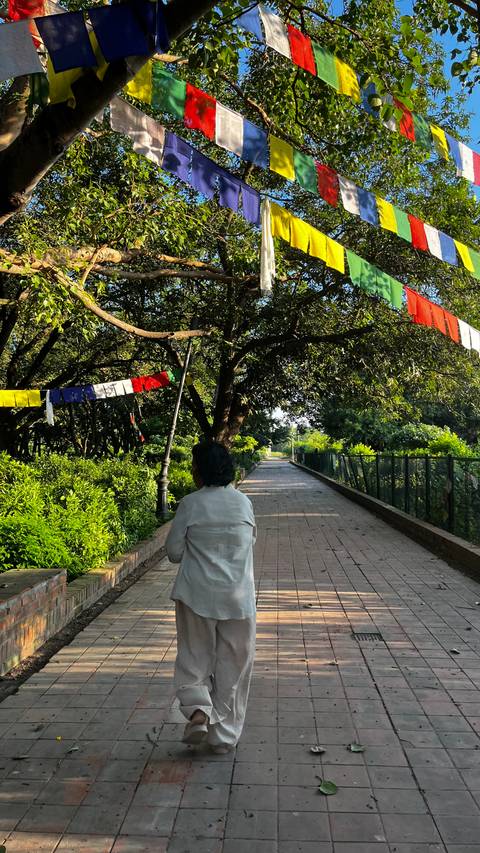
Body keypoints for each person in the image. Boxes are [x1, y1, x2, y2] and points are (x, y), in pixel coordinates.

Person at [166, 440, 256, 754]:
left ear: (200, 470)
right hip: (238, 598)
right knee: (235, 664)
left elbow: (174, 554)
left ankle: (199, 711)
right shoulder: (244, 503)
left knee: (194, 659)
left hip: (195, 596)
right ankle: (223, 738)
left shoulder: (190, 504)